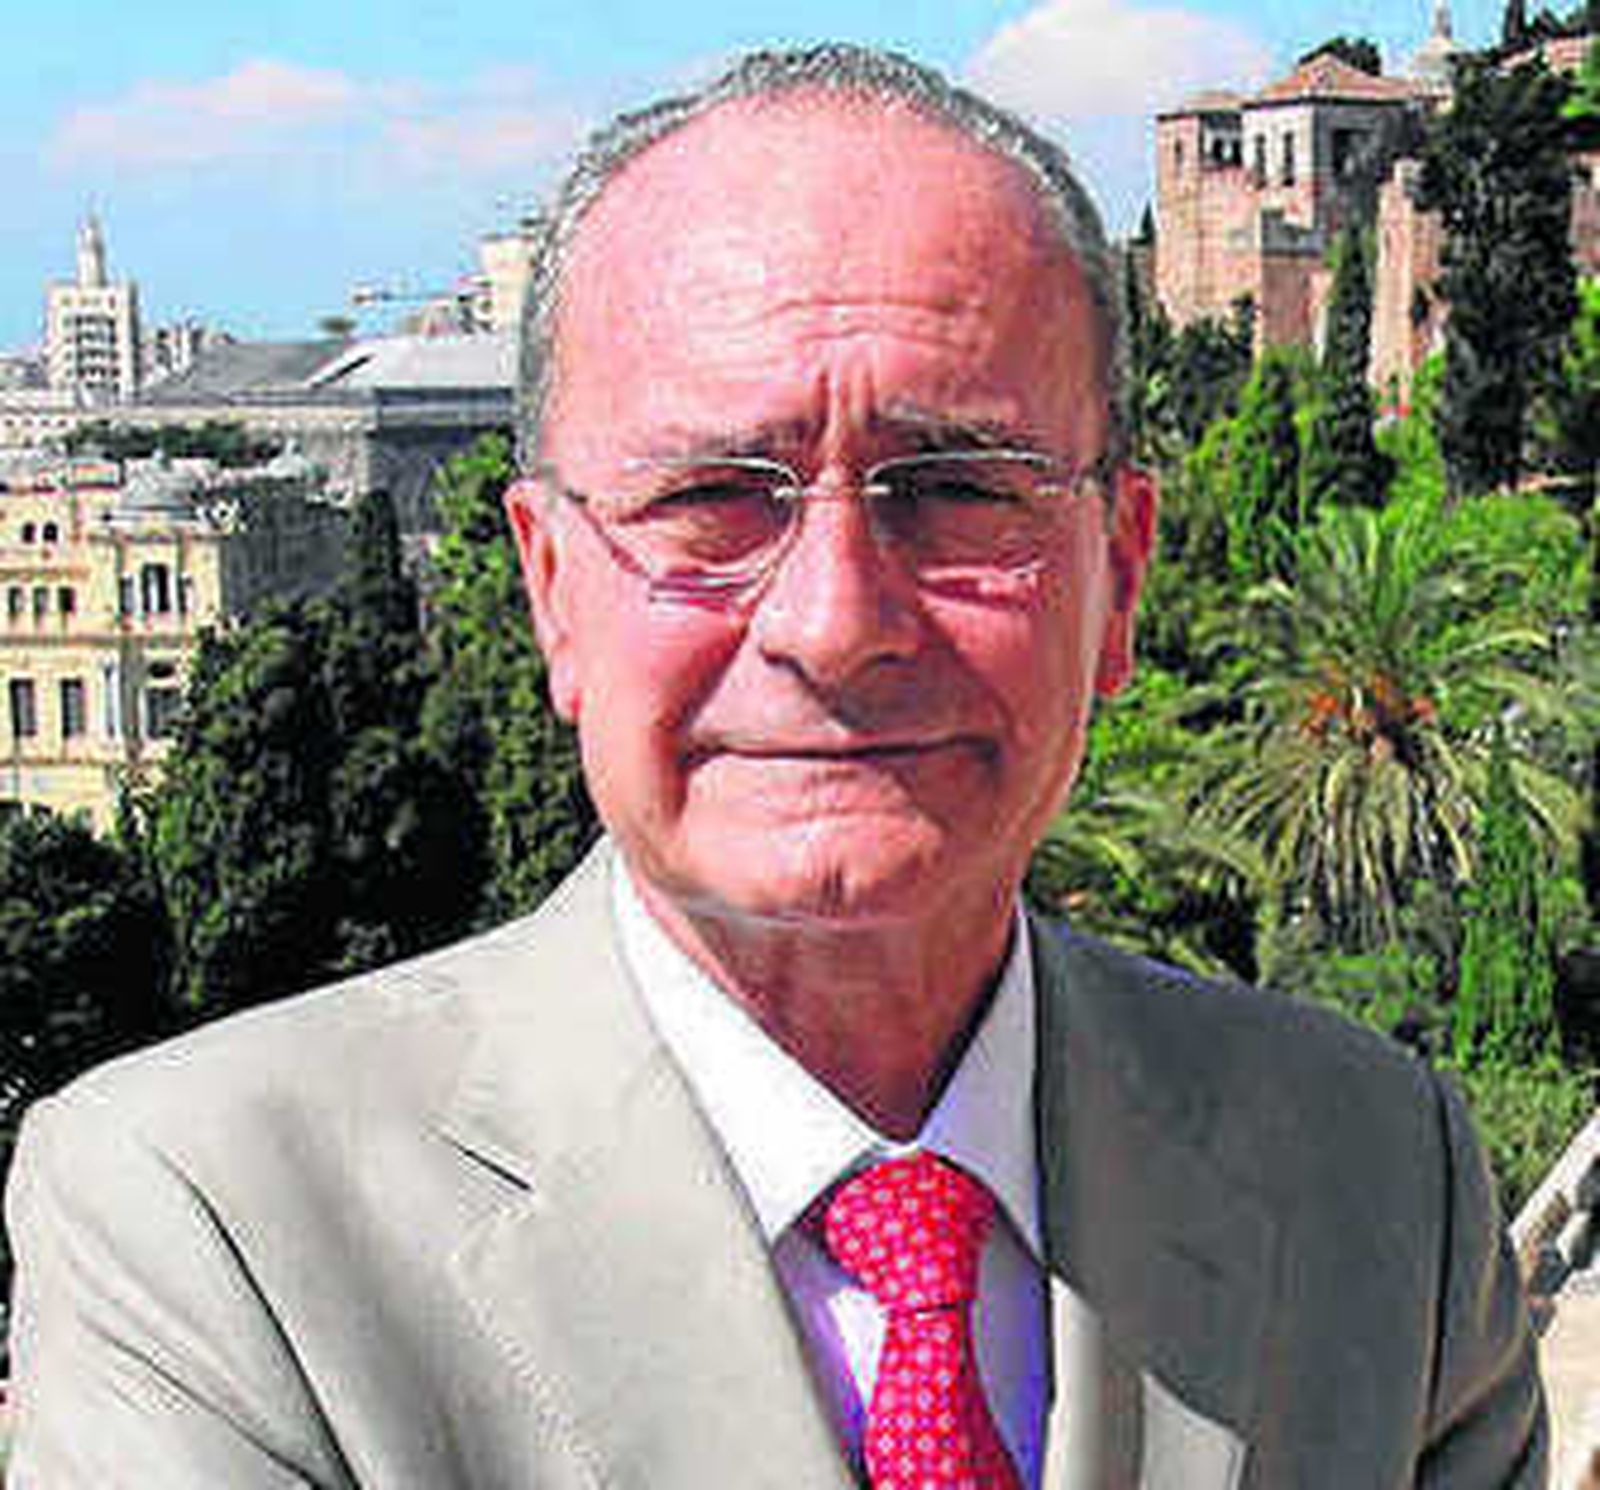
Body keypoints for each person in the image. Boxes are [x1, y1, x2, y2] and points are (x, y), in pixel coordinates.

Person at [5, 45, 1544, 1489]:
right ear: (553, 588)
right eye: (711, 502)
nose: (834, 621)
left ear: (1120, 578)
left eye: (953, 489)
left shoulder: (1379, 1186)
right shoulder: (209, 1226)